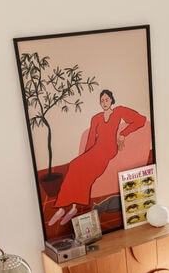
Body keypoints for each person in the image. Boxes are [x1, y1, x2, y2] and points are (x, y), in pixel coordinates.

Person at [49, 89, 146, 225]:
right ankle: (65, 207)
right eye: (102, 101)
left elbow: (140, 120)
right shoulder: (96, 118)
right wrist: (84, 156)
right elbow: (90, 140)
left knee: (86, 174)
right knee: (75, 165)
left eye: (106, 100)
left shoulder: (118, 111)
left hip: (108, 151)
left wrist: (124, 133)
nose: (104, 102)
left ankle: (72, 207)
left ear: (111, 100)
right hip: (95, 150)